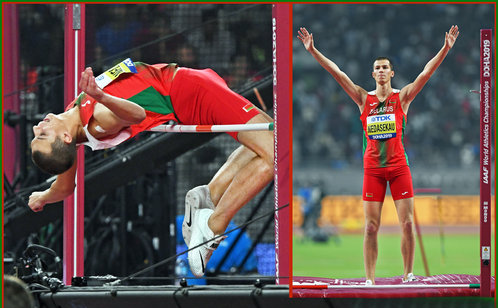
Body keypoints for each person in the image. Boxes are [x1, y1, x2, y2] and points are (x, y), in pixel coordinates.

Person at [28, 59, 274, 278]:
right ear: (65, 137)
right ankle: (214, 224)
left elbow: (65, 186)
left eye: (36, 134)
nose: (36, 128)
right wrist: (100, 97)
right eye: (42, 136)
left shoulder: (74, 121)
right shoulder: (99, 120)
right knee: (276, 150)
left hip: (185, 84)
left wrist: (44, 197)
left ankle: (209, 195)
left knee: (268, 139)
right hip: (189, 91)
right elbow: (137, 114)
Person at [298, 26, 459, 285]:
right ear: (373, 74)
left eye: (386, 67)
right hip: (373, 170)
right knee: (371, 227)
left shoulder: (402, 98)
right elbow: (337, 74)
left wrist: (446, 48)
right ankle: (370, 280)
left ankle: (408, 274)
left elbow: (426, 73)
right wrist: (313, 51)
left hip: (398, 169)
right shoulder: (363, 99)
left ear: (391, 73)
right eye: (378, 68)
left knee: (407, 224)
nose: (382, 71)